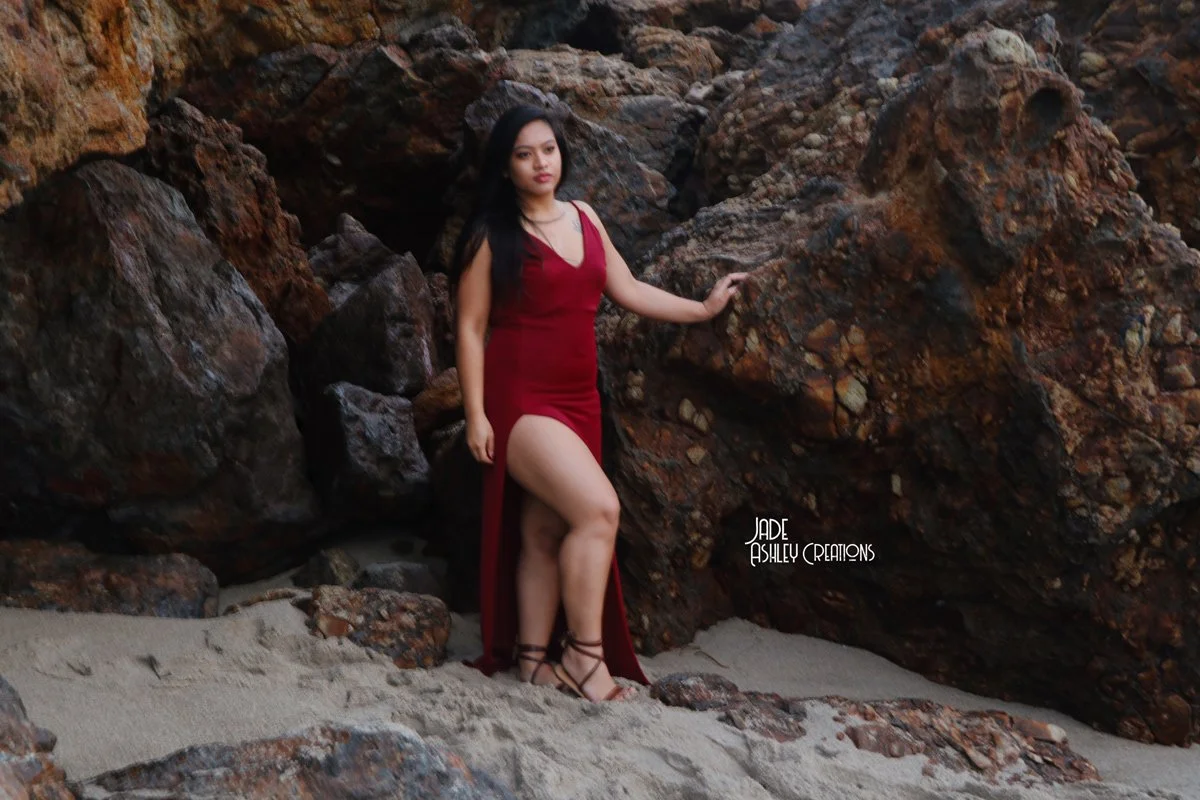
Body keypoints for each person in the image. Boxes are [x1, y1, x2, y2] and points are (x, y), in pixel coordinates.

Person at [451, 105, 747, 703]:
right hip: (521, 400)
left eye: (549, 150)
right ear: (505, 168)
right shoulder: (493, 236)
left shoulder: (585, 217)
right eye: (524, 154)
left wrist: (703, 310)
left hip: (578, 398)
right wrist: (476, 413)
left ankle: (533, 662)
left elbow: (629, 289)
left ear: (562, 154)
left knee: (543, 528)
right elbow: (469, 326)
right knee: (599, 511)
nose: (540, 163)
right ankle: (585, 658)